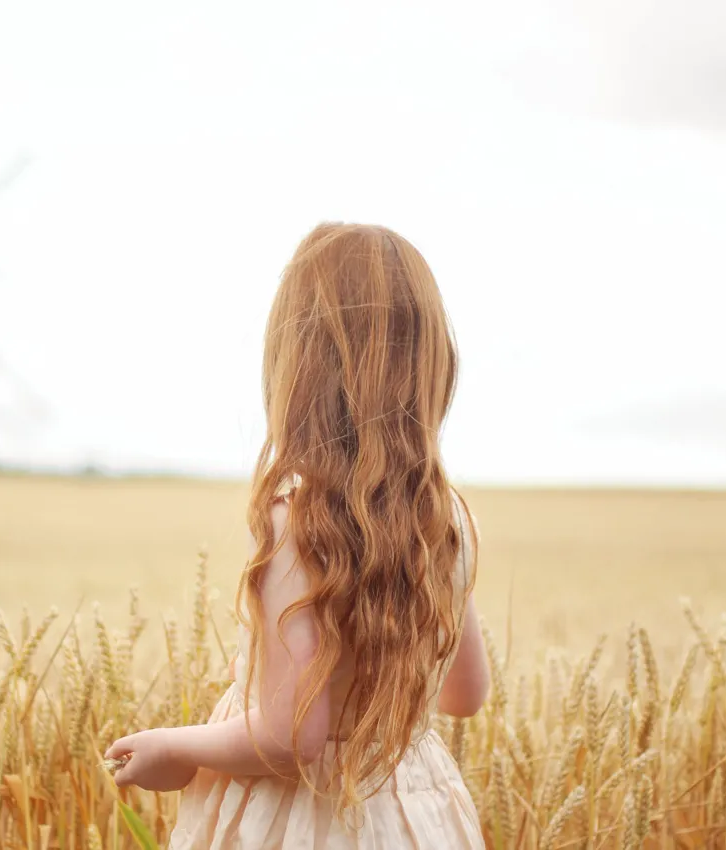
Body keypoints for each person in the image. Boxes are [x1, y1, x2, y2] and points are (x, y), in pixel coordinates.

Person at [104, 222, 490, 848]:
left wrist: (173, 746)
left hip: (305, 821)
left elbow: (291, 739)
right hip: (414, 815)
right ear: (430, 364)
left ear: (297, 366)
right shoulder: (446, 519)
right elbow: (465, 694)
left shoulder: (298, 524)